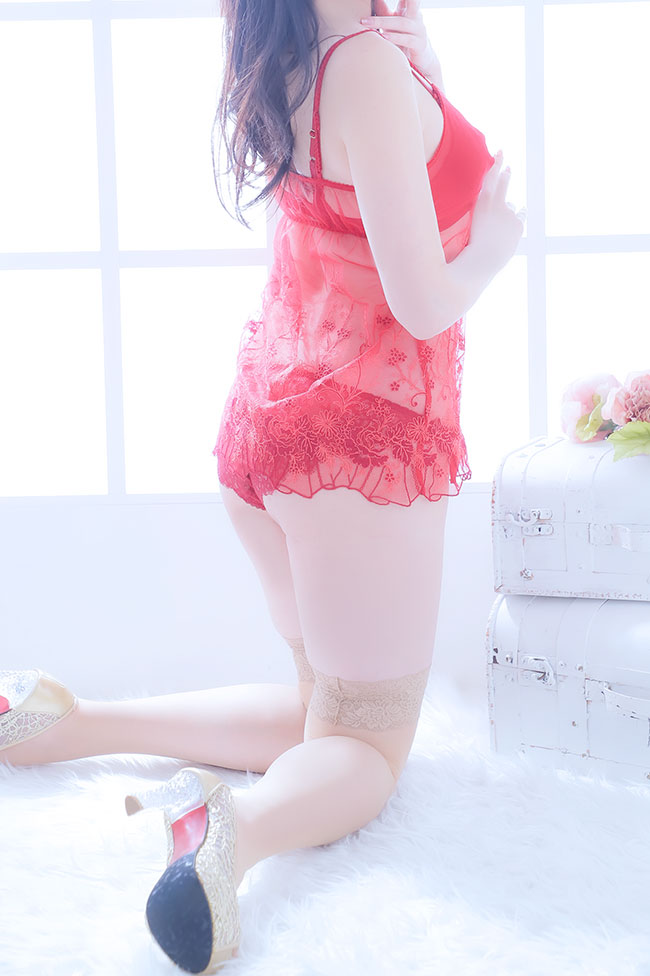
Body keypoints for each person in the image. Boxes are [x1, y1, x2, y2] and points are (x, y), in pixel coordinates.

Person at [0, 0, 525, 972]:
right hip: (356, 449)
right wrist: (495, 246)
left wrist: (422, 61)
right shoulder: (364, 65)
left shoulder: (299, 53)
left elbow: (386, 177)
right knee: (367, 749)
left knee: (325, 709)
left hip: (274, 429)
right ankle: (229, 830)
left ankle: (64, 724)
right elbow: (421, 301)